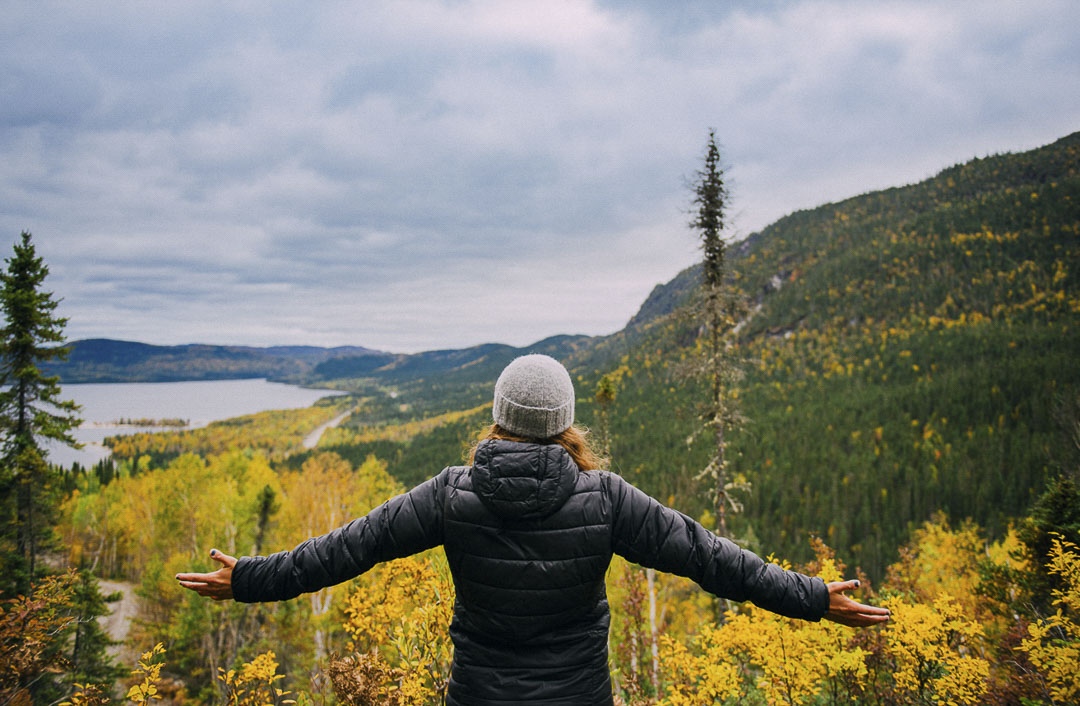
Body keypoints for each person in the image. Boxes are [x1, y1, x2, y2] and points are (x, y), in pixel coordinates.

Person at [178, 354, 890, 705]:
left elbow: (342, 552)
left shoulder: (450, 497)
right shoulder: (605, 500)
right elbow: (713, 559)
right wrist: (811, 597)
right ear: (565, 424)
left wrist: (248, 579)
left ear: (498, 417)